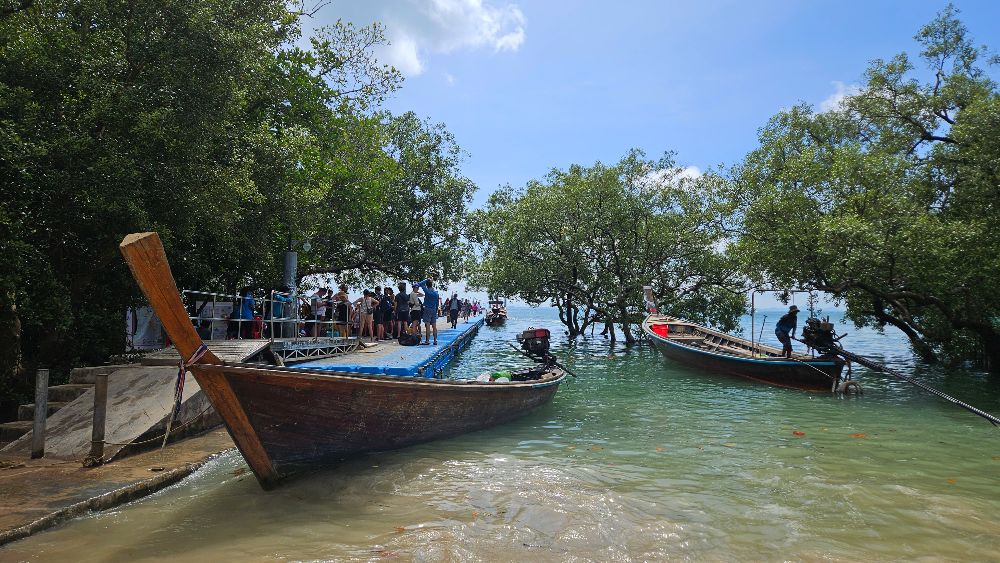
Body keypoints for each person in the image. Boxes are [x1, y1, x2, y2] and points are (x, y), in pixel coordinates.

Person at [415, 278, 440, 345]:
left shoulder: (427, 291)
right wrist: (436, 310)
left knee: (427, 325)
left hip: (427, 309)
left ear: (427, 285)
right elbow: (437, 303)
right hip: (434, 309)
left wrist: (427, 279)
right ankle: (435, 340)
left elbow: (419, 284)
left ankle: (427, 340)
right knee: (434, 326)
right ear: (432, 285)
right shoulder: (436, 293)